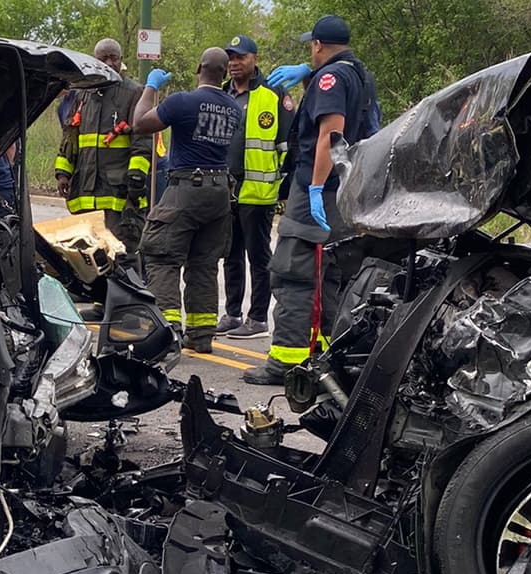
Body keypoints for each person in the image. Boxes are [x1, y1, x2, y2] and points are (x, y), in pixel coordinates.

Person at [239, 15, 379, 384]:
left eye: (311, 47)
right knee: (331, 276)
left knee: (293, 272)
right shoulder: (361, 74)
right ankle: (330, 358)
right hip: (349, 191)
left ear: (318, 45)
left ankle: (287, 361)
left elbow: (329, 136)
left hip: (319, 190)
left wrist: (315, 187)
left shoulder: (330, 78)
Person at [131, 48, 242, 353]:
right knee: (204, 264)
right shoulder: (234, 109)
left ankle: (167, 333)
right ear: (223, 74)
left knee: (162, 257)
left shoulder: (182, 101)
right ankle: (202, 335)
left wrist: (151, 86)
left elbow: (140, 123)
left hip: (186, 187)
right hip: (220, 191)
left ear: (198, 68)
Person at [217, 34, 295, 340]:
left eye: (241, 57)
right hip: (227, 191)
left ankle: (258, 318)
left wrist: (285, 188)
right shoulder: (223, 93)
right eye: (231, 58)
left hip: (259, 193)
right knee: (230, 255)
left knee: (259, 257)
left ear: (255, 59)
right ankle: (233, 314)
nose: (235, 64)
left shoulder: (273, 94)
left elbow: (288, 145)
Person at [54, 38, 153, 274]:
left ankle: (128, 305)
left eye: (114, 58)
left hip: (118, 193)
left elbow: (142, 142)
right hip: (86, 190)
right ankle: (101, 304)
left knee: (122, 252)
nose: (109, 63)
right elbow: (70, 139)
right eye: (103, 58)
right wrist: (63, 173)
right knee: (90, 253)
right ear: (94, 60)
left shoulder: (133, 93)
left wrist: (136, 184)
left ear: (121, 60)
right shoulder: (82, 95)